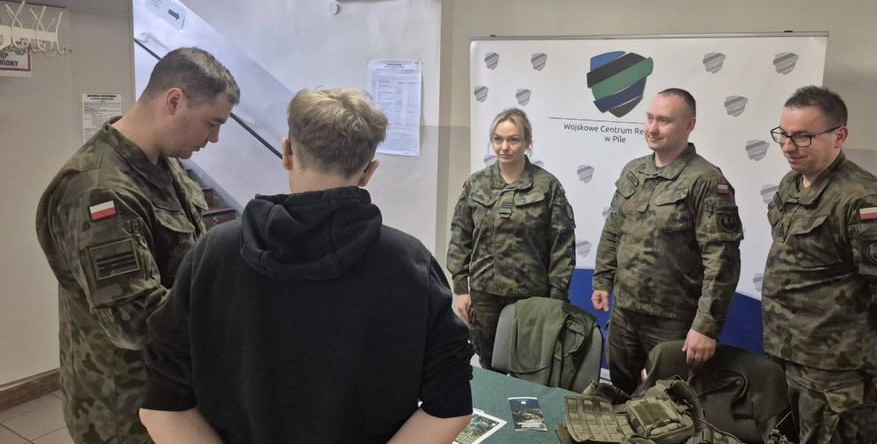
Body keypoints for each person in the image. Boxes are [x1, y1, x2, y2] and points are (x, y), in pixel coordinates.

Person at [139, 88, 474, 444]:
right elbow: (450, 404)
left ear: (286, 152)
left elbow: (162, 403)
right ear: (368, 171)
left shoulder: (212, 254)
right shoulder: (409, 264)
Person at [35, 47, 239, 443]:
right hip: (125, 410)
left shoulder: (163, 164)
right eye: (211, 123)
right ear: (174, 101)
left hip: (170, 390)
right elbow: (136, 322)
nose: (214, 138)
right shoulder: (99, 191)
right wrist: (238, 309)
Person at [762, 85, 877, 443]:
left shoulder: (862, 198)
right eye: (783, 135)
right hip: (785, 349)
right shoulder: (792, 184)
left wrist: (876, 326)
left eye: (802, 136)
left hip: (834, 366)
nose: (788, 146)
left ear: (839, 136)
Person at [592, 88, 744, 395]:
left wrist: (706, 326)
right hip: (625, 312)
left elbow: (722, 261)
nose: (652, 128)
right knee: (621, 392)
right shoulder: (634, 171)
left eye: (664, 120)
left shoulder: (705, 180)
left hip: (672, 320)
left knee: (666, 401)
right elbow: (613, 229)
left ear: (689, 125)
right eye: (649, 118)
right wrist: (602, 280)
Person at [446, 107, 576, 369]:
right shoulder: (476, 184)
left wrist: (556, 297)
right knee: (489, 362)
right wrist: (461, 289)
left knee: (529, 365)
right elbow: (461, 236)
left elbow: (562, 245)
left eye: (513, 140)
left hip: (531, 296)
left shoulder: (546, 186)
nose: (504, 147)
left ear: (528, 142)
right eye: (498, 139)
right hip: (485, 295)